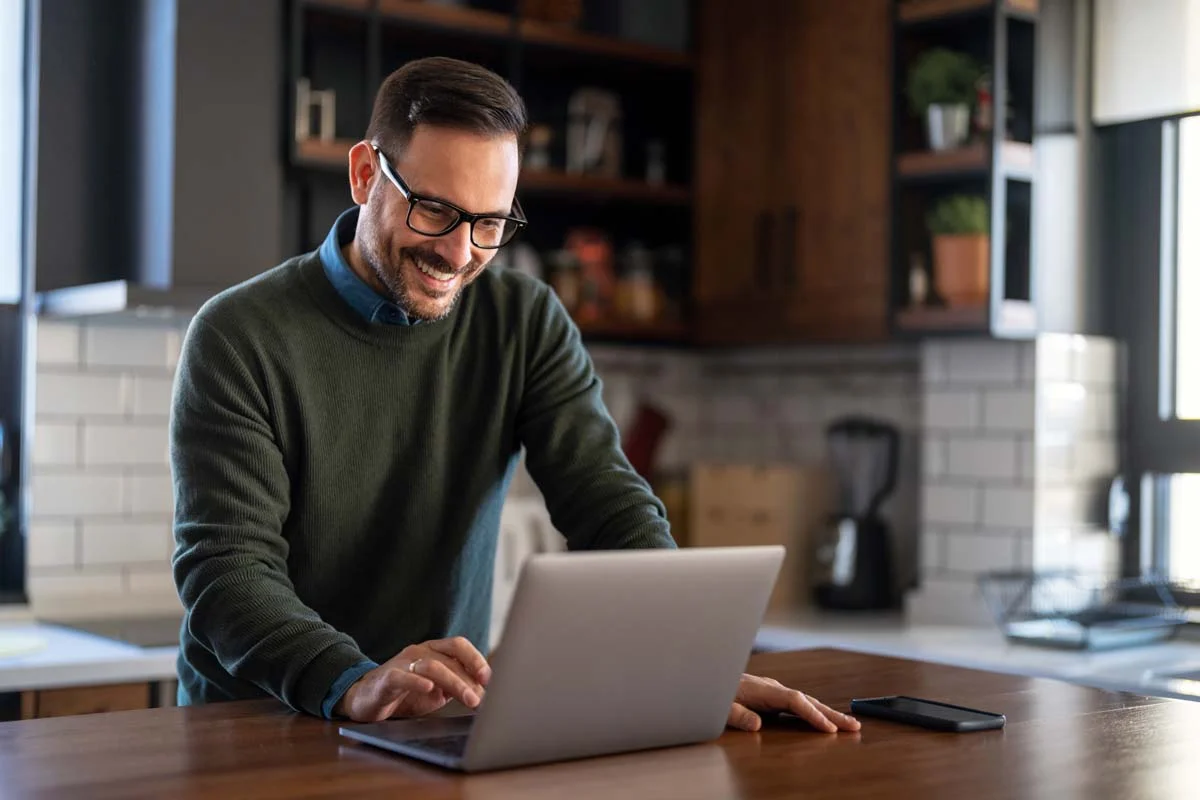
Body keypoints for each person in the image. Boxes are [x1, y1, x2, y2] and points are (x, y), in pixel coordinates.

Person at [171, 56, 859, 735]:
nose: (458, 253)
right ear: (364, 175)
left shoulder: (523, 320)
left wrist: (692, 661)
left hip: (432, 725)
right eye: (435, 210)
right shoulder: (239, 336)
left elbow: (607, 501)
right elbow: (227, 570)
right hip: (256, 727)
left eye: (490, 224)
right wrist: (351, 679)